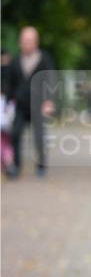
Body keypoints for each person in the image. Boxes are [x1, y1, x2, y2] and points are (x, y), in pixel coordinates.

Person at [6, 26, 56, 178]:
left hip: (38, 104)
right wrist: (8, 100)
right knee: (15, 134)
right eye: (24, 41)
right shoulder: (15, 61)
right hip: (20, 105)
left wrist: (49, 100)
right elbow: (10, 83)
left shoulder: (44, 59)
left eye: (29, 41)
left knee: (39, 137)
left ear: (36, 42)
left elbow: (51, 80)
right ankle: (16, 166)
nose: (26, 44)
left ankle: (41, 166)